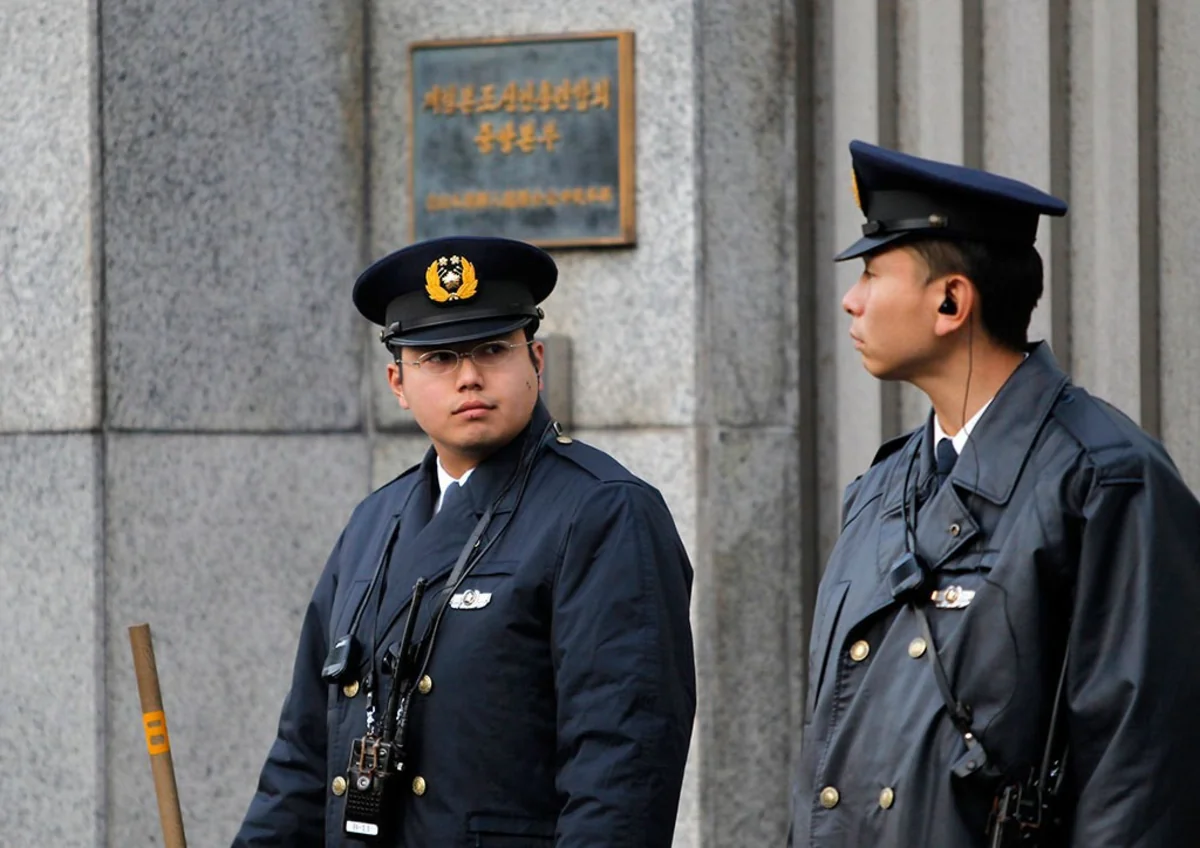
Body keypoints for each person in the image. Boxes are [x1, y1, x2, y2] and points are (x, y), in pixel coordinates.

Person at [790, 140, 1200, 847]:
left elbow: (1141, 771)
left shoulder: (1107, 481)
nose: (852, 301)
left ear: (951, 301)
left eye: (872, 271)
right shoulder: (882, 491)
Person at [232, 235, 696, 846]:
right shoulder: (376, 521)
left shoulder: (603, 511)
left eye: (492, 349)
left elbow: (622, 771)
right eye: (440, 358)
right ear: (398, 381)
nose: (470, 377)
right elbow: (303, 755)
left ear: (535, 361)